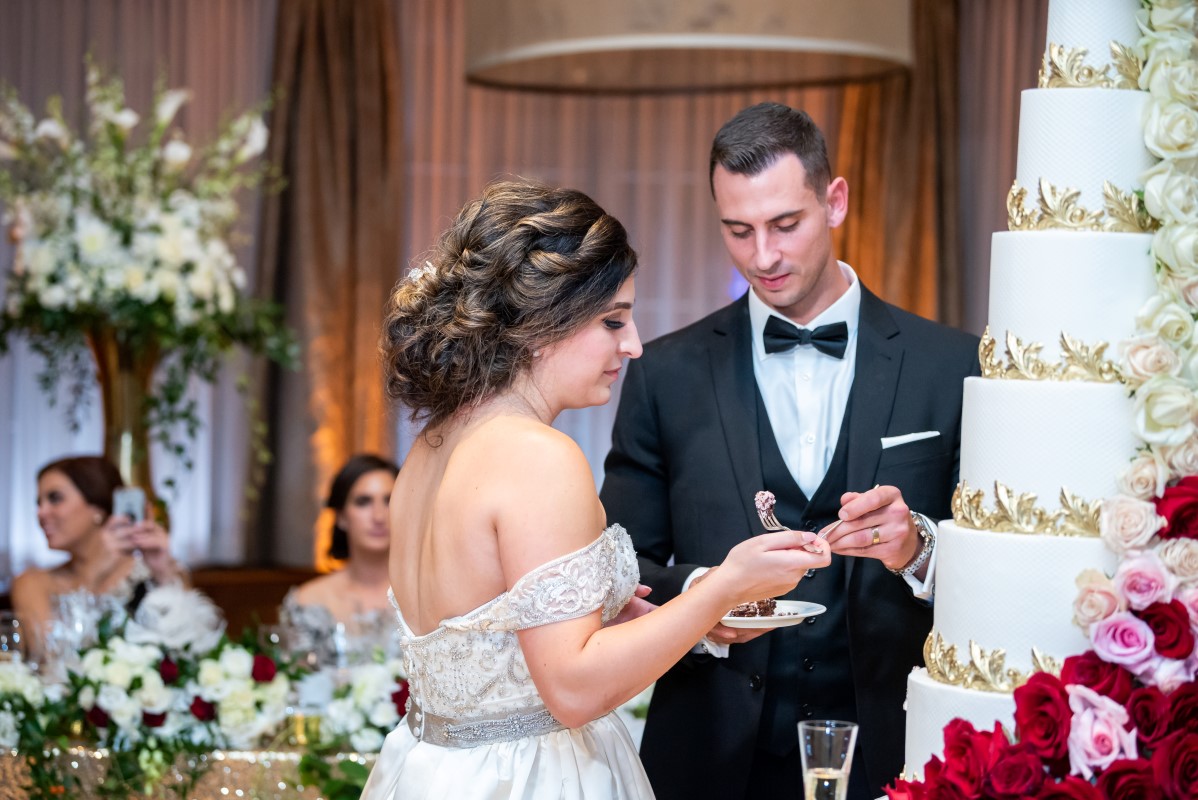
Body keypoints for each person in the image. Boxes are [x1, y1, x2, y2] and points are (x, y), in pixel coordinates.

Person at [359, 179, 831, 800]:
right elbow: (574, 688)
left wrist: (627, 615)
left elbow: (488, 629)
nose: (632, 345)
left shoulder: (432, 447)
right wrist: (725, 586)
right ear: (540, 322)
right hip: (527, 777)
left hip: (435, 767)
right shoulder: (538, 455)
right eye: (613, 321)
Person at [599, 102, 982, 800]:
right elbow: (623, 562)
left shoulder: (952, 365)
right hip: (711, 757)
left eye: (785, 224)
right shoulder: (664, 374)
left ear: (834, 201)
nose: (763, 256)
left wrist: (915, 548)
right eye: (737, 231)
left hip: (898, 754)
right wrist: (711, 600)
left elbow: (1001, 569)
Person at [11, 455, 183, 664]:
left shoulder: (150, 575)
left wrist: (163, 572)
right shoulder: (32, 584)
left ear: (97, 508)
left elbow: (190, 653)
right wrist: (96, 574)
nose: (41, 512)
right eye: (39, 503)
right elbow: (53, 662)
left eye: (55, 498)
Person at [280, 453, 400, 666]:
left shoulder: (426, 596)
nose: (379, 516)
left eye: (389, 501)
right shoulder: (308, 601)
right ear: (342, 516)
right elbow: (296, 686)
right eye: (363, 502)